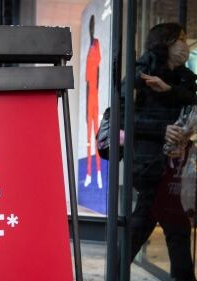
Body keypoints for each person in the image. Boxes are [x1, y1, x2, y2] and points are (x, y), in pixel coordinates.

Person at [123, 23, 197, 281]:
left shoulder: (180, 79)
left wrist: (170, 91)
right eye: (180, 40)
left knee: (144, 227)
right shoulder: (139, 73)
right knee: (174, 228)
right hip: (149, 165)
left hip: (174, 166)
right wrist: (162, 129)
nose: (185, 45)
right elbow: (122, 118)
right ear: (165, 43)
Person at [84, 15, 103, 189]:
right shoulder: (89, 49)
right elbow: (86, 84)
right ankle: (90, 173)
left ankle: (97, 173)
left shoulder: (96, 45)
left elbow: (98, 73)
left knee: (96, 137)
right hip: (89, 97)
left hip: (95, 96)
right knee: (89, 139)